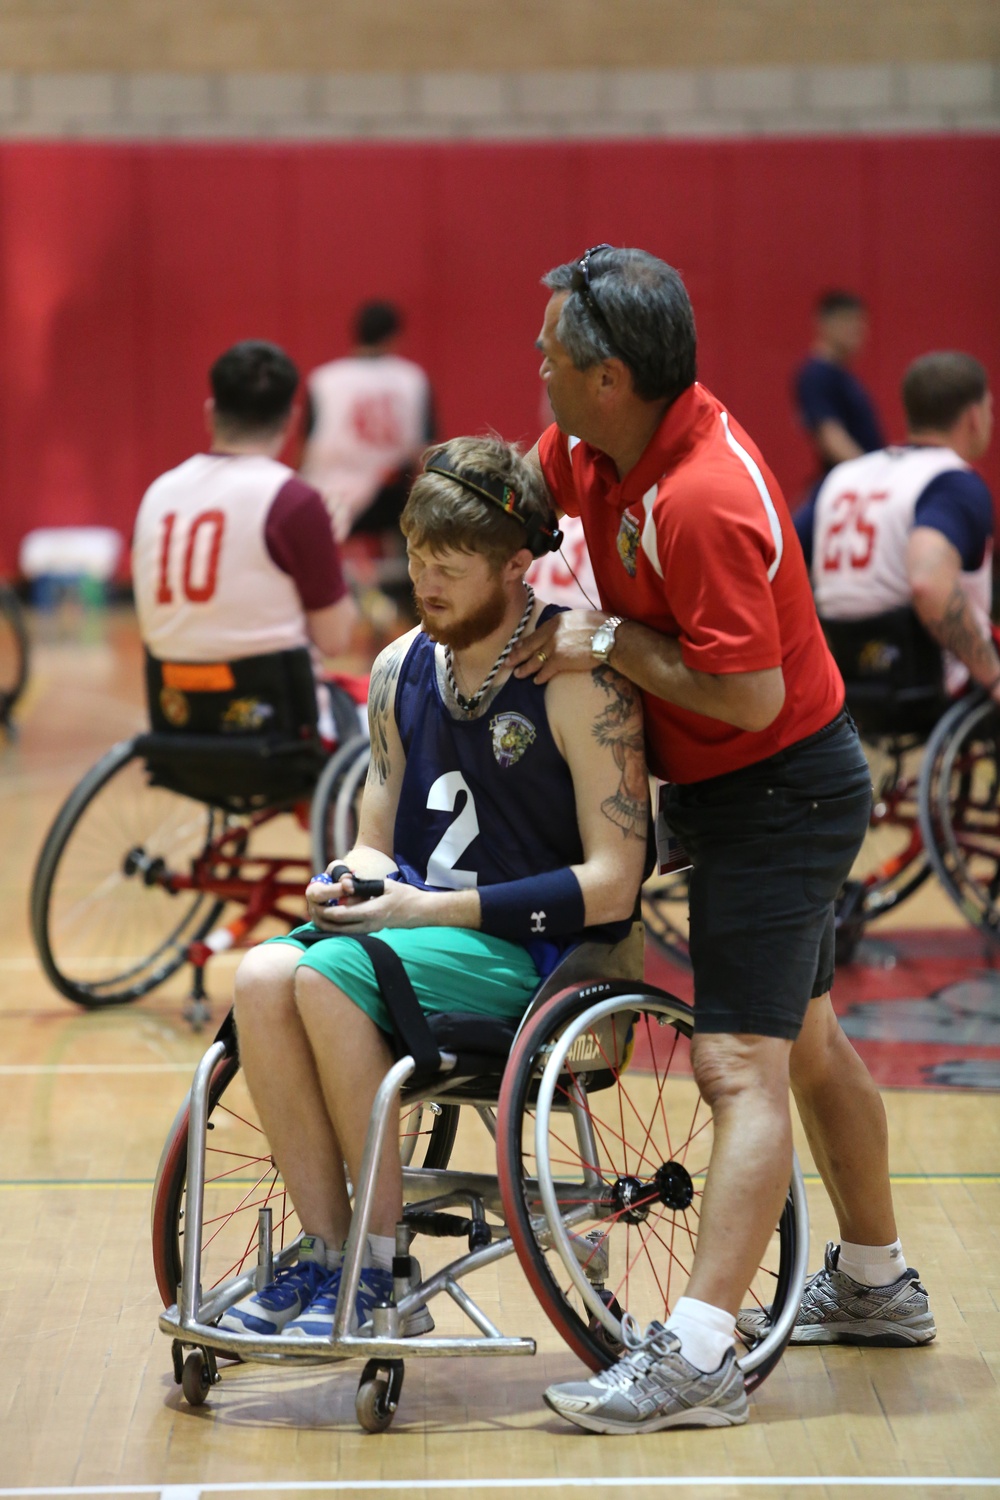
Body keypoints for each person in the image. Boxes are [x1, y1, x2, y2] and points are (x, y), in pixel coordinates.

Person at [509, 245, 934, 1436]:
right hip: (736, 788)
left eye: (548, 353)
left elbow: (741, 698)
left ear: (607, 375)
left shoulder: (701, 494)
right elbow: (516, 502)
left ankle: (697, 1356)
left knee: (734, 1067)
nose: (532, 367)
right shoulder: (591, 446)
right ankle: (873, 1283)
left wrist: (605, 645)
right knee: (805, 1042)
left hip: (781, 790)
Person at [219, 435, 649, 1340]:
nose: (425, 583)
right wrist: (345, 883)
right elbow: (378, 846)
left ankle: (381, 1271)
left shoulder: (577, 679)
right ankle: (328, 1249)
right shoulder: (399, 666)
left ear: (517, 566)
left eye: (450, 566)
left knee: (327, 978)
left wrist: (424, 909)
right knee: (260, 975)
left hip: (543, 957)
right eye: (416, 559)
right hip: (414, 937)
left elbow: (615, 885)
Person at [132, 340, 355, 734]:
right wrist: (325, 546)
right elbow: (335, 639)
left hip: (175, 717)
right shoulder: (294, 502)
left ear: (210, 413)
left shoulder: (157, 493)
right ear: (291, 419)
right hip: (275, 722)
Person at [802, 351, 996, 698]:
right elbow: (928, 583)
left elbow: (773, 555)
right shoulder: (953, 481)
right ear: (974, 417)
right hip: (926, 678)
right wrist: (994, 677)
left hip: (844, 673)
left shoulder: (843, 475)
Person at [300, 300, 434, 544]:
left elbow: (306, 448)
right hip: (388, 503)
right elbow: (423, 452)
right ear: (394, 337)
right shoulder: (411, 379)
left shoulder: (324, 379)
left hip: (327, 498)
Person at [795, 290, 884, 480]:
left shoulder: (843, 375)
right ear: (824, 324)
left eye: (860, 323)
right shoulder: (816, 375)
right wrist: (873, 477)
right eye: (847, 322)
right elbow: (831, 437)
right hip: (849, 483)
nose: (857, 330)